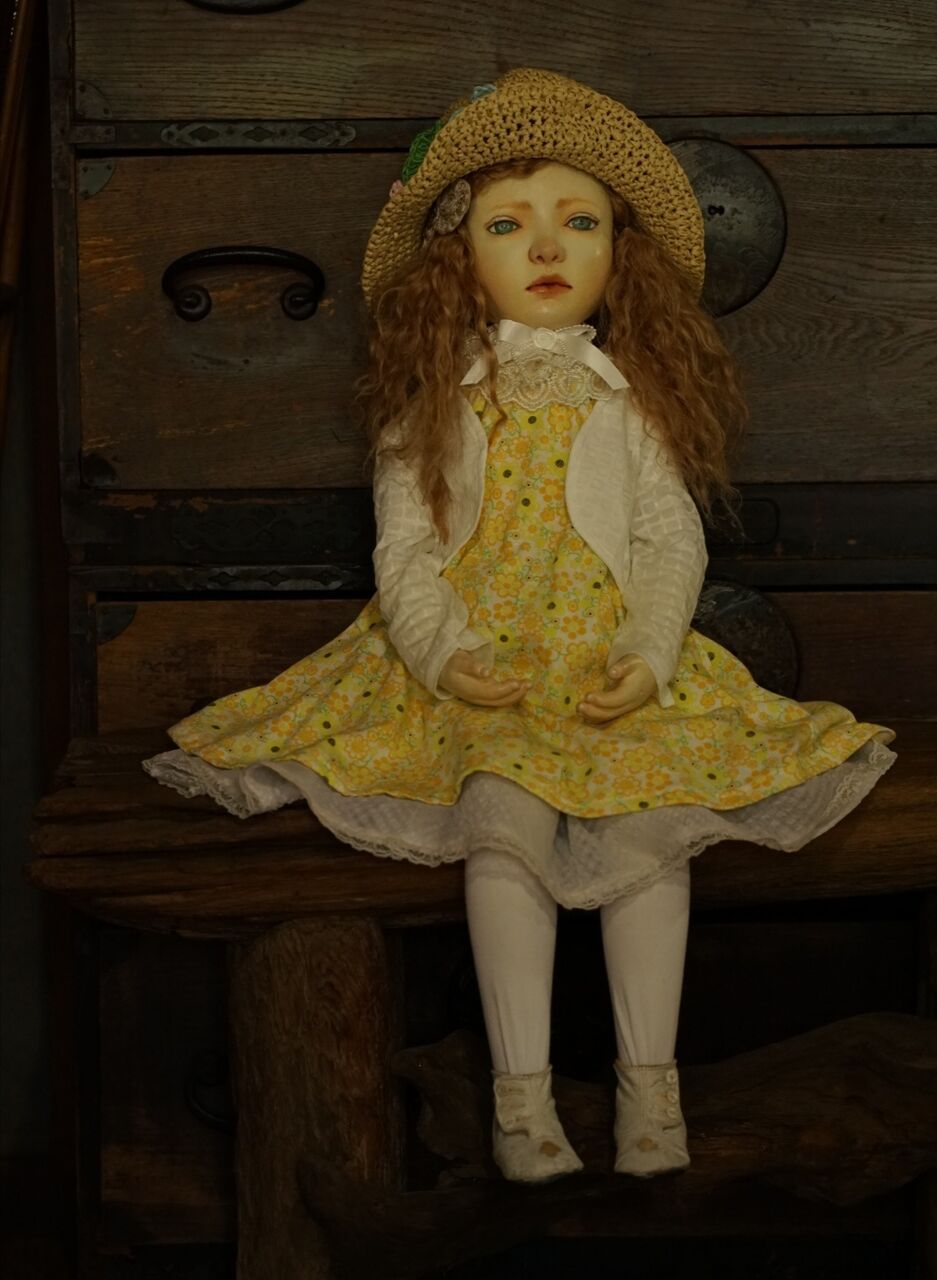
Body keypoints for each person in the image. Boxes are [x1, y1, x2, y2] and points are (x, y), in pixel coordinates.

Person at [142, 68, 897, 1186]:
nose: (546, 245)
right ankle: (522, 1100)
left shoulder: (628, 402)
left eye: (577, 221)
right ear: (458, 257)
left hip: (602, 659)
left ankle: (649, 1090)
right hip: (478, 664)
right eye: (508, 223)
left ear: (619, 254)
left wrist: (649, 650)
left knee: (652, 827)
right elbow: (403, 549)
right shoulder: (432, 403)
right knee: (502, 826)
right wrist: (441, 650)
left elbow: (669, 541)